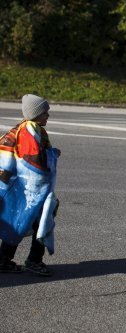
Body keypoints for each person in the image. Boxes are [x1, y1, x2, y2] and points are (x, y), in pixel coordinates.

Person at [0, 94, 60, 276]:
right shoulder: (29, 130)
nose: (48, 115)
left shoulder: (27, 128)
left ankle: (3, 260)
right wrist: (41, 192)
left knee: (19, 220)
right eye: (44, 112)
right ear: (35, 114)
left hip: (18, 187)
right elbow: (32, 163)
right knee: (42, 220)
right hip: (30, 188)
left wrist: (52, 153)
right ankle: (34, 260)